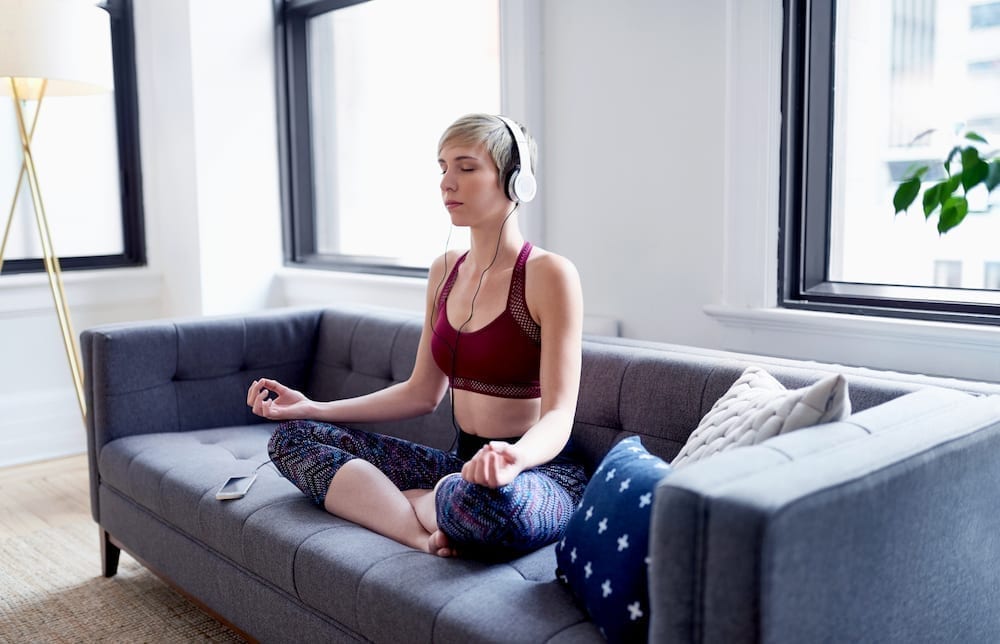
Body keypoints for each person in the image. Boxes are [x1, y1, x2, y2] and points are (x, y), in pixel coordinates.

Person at [246, 114, 586, 558]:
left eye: (466, 167)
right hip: (459, 464)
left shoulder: (549, 275)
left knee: (489, 509)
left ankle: (420, 501)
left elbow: (559, 415)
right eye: (443, 168)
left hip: (536, 474)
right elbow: (422, 392)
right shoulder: (445, 270)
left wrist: (514, 460)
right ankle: (417, 531)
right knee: (292, 437)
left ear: (516, 181)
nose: (448, 183)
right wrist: (316, 407)